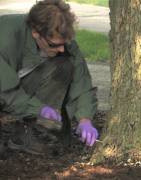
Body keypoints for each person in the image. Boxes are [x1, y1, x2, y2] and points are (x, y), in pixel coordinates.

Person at [0, 0, 99, 155]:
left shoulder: (64, 43)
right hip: (3, 88)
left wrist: (85, 119)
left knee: (65, 64)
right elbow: (5, 92)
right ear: (35, 33)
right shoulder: (6, 36)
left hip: (12, 88)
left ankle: (28, 133)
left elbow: (82, 82)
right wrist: (38, 108)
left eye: (64, 44)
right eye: (54, 45)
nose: (61, 49)